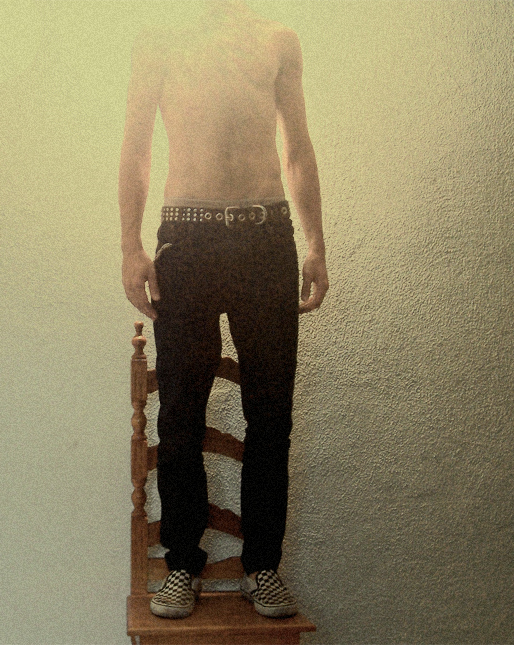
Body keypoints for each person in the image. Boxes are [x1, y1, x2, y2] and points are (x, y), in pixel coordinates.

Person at [119, 1, 328, 620]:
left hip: (267, 236)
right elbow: (135, 150)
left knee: (272, 412)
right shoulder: (157, 36)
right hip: (187, 238)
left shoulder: (278, 38)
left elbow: (298, 149)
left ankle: (262, 567)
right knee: (179, 411)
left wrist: (316, 243)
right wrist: (130, 246)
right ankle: (182, 564)